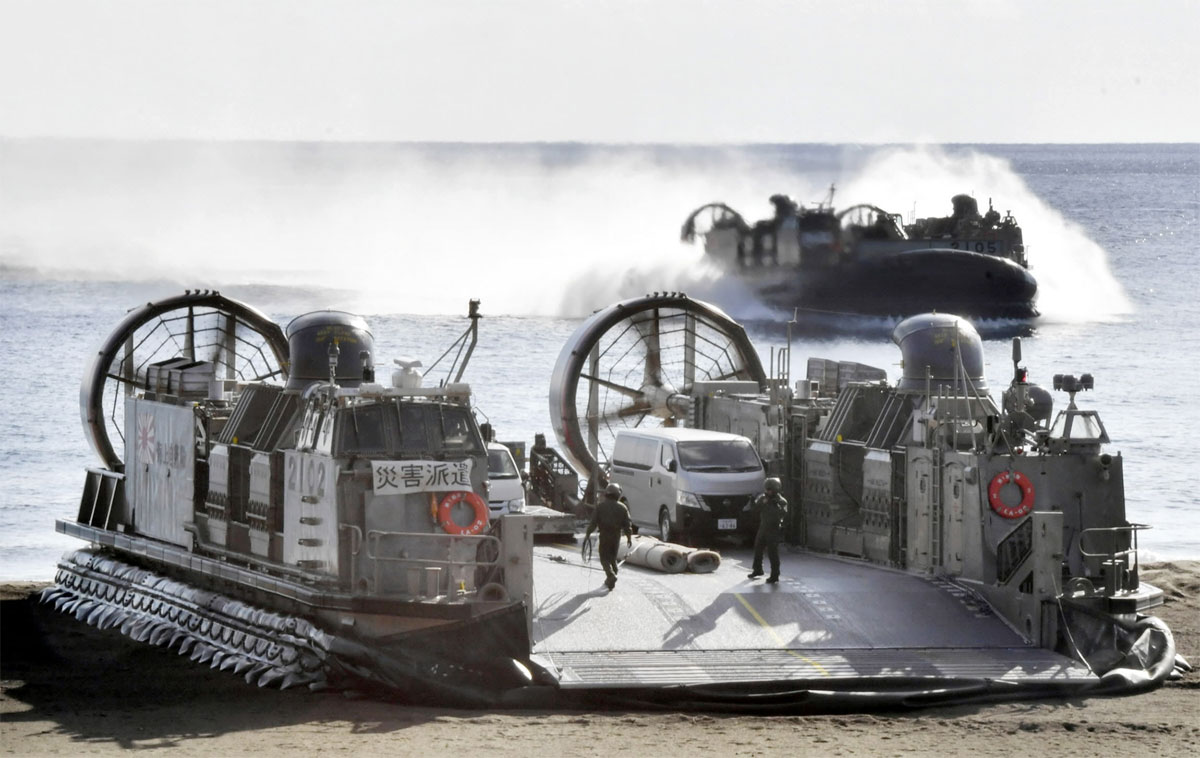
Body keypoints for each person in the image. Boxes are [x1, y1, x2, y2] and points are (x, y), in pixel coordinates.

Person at [584, 482, 634, 590]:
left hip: (605, 534)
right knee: (612, 558)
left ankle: (610, 575)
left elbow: (593, 523)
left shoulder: (601, 506)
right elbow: (628, 525)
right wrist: (629, 537)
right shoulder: (623, 507)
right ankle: (611, 581)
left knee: (604, 558)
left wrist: (587, 534)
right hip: (616, 536)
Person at [747, 477, 788, 584]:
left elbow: (783, 514)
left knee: (772, 553)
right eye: (766, 489)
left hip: (773, 529)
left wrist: (775, 504)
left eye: (770, 489)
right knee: (758, 549)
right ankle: (757, 569)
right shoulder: (762, 499)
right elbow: (754, 511)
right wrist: (756, 502)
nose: (767, 491)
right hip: (763, 526)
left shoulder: (781, 501)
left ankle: (775, 575)